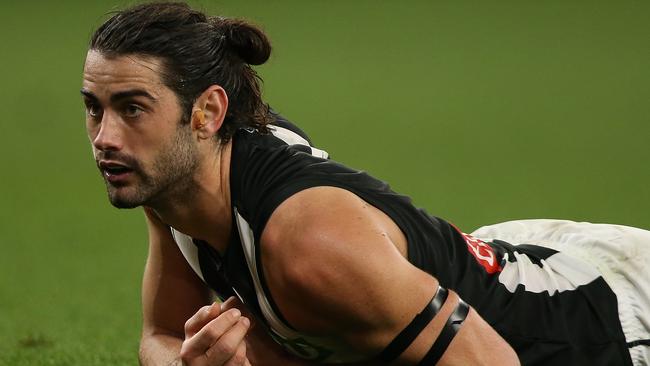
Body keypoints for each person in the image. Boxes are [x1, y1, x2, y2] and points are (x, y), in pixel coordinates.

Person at [81, 2, 650, 365]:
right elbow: (160, 334)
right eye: (93, 107)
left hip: (604, 322)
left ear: (206, 114)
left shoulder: (309, 246)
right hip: (512, 268)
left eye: (132, 108)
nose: (104, 137)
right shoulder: (175, 181)